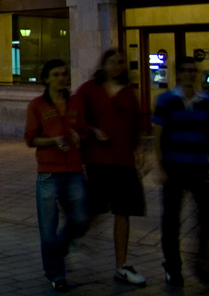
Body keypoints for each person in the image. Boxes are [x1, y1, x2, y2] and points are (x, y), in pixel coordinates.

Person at [74, 49, 146, 286]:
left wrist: (139, 153)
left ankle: (121, 265)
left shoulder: (128, 93)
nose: (118, 66)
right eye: (113, 62)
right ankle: (75, 238)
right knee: (95, 209)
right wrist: (92, 130)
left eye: (121, 62)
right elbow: (76, 116)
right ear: (103, 64)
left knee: (123, 211)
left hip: (123, 161)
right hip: (99, 161)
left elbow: (136, 124)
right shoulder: (89, 90)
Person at [24, 59, 90, 293]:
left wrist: (78, 137)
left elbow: (83, 131)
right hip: (49, 173)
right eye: (56, 74)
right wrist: (53, 141)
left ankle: (60, 248)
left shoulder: (75, 103)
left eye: (64, 74)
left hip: (73, 170)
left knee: (81, 218)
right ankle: (55, 273)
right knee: (48, 227)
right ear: (46, 79)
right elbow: (30, 139)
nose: (62, 78)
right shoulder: (37, 106)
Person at [153, 55, 209, 287]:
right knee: (171, 221)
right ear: (178, 74)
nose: (190, 74)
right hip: (174, 167)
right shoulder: (166, 100)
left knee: (206, 219)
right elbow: (157, 137)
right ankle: (173, 268)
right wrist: (160, 167)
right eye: (185, 70)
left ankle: (201, 262)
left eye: (193, 70)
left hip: (199, 167)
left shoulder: (206, 101)